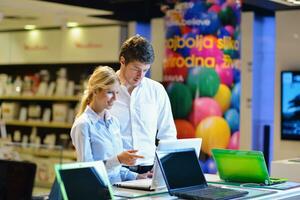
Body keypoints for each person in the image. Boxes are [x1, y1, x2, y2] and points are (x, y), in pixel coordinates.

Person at [70, 66, 149, 184]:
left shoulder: (114, 122)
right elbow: (86, 170)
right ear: (95, 91)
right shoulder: (83, 125)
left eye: (117, 92)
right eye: (110, 92)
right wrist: (118, 159)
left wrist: (137, 176)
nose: (115, 98)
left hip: (117, 191)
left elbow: (114, 170)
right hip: (97, 192)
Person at [110, 35, 177, 174]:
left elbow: (168, 134)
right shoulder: (105, 90)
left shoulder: (156, 90)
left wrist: (161, 167)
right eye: (136, 68)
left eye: (145, 70)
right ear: (122, 61)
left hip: (150, 171)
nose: (140, 75)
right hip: (115, 171)